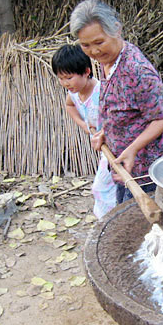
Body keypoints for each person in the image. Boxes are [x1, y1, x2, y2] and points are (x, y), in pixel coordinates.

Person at [70, 0, 163, 204]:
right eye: (85, 45)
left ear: (117, 30)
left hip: (149, 173)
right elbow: (123, 110)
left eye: (99, 42)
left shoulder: (137, 70)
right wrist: (106, 132)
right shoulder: (107, 62)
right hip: (126, 168)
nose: (93, 52)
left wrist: (133, 148)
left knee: (147, 228)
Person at [51, 44, 116, 219]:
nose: (65, 83)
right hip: (104, 149)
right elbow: (69, 105)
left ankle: (109, 221)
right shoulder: (74, 93)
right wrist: (83, 124)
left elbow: (118, 119)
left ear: (87, 71)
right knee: (110, 186)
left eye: (69, 78)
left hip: (118, 148)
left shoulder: (101, 92)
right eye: (61, 78)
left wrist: (106, 134)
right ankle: (110, 220)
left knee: (101, 187)